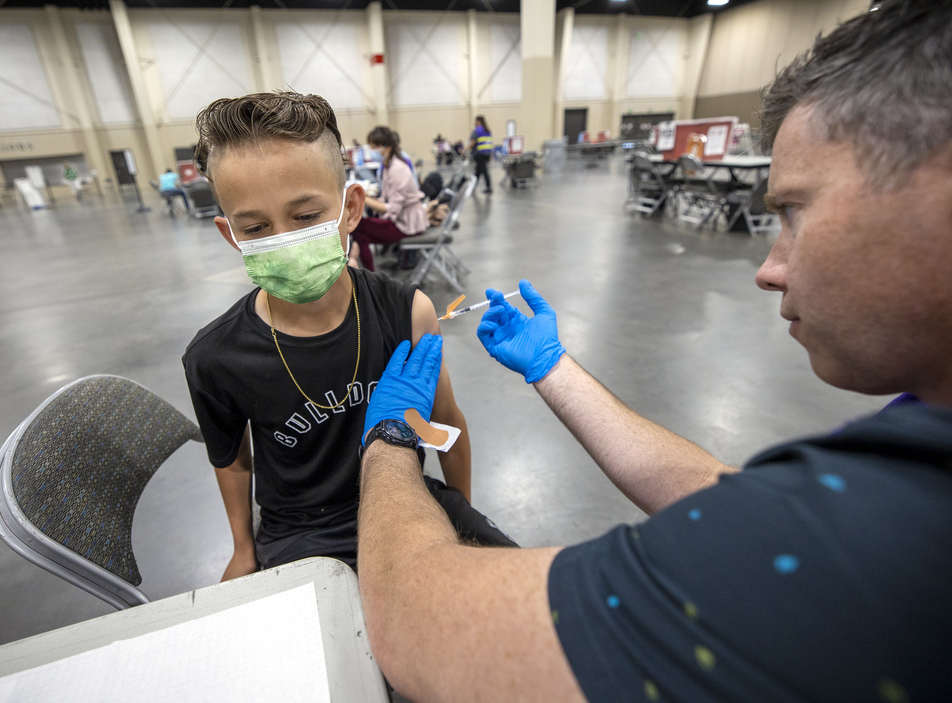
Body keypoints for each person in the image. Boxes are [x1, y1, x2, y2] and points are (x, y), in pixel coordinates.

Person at [355, 2, 952, 701]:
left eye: (793, 210)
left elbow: (422, 625)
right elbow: (725, 494)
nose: (769, 266)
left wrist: (391, 439)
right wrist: (555, 369)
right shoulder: (914, 443)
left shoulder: (885, 540)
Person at [182, 92, 514, 580]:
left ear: (351, 208)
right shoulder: (216, 357)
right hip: (301, 534)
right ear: (230, 234)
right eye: (255, 227)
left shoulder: (406, 311)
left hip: (407, 499)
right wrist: (242, 547)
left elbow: (446, 422)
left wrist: (460, 513)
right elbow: (233, 462)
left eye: (306, 216)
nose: (284, 240)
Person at [348, 125, 428, 272]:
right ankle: (369, 276)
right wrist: (371, 199)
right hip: (401, 219)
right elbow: (386, 197)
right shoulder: (388, 166)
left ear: (386, 147)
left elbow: (393, 208)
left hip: (407, 224)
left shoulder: (398, 169)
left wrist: (363, 198)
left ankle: (369, 276)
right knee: (360, 233)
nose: (371, 151)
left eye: (373, 147)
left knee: (358, 228)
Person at [470, 115, 494, 194]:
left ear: (478, 121)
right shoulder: (487, 131)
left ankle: (488, 187)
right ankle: (472, 187)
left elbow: (472, 142)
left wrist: (464, 150)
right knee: (478, 171)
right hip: (487, 154)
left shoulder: (477, 130)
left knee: (483, 171)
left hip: (479, 154)